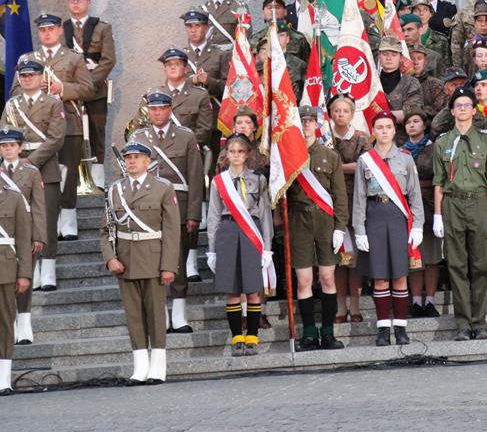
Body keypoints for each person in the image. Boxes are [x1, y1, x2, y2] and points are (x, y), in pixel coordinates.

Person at [100, 141, 180, 384]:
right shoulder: (115, 190)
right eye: (128, 157)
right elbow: (106, 230)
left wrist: (168, 266)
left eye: (136, 157)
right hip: (125, 260)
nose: (131, 161)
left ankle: (158, 367)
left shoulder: (162, 188)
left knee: (155, 315)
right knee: (133, 316)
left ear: (148, 161)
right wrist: (110, 258)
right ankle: (140, 366)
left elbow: (172, 231)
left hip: (153, 259)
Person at [127, 88, 204, 335]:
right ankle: (160, 315)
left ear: (170, 110)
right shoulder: (138, 137)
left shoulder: (185, 136)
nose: (157, 113)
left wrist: (194, 213)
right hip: (147, 210)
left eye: (162, 109)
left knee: (177, 260)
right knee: (153, 262)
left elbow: (195, 176)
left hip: (178, 206)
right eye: (153, 109)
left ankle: (179, 314)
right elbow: (131, 176)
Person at [17, 13, 93, 243]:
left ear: (60, 30)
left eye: (51, 29)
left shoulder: (73, 58)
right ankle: (46, 220)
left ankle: (68, 220)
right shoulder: (28, 59)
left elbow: (88, 89)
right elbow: (14, 92)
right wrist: (32, 87)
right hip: (36, 127)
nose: (47, 33)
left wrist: (62, 88)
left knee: (67, 173)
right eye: (42, 30)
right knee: (43, 177)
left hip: (68, 124)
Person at [432, 87, 487, 341]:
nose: (462, 109)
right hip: (452, 204)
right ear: (452, 111)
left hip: (479, 203)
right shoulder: (443, 143)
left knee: (482, 264)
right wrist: (438, 215)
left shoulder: (485, 141)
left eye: (466, 105)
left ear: (474, 110)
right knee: (457, 265)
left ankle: (479, 322)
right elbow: (439, 182)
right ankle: (463, 323)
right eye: (458, 105)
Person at [352, 111, 425, 346]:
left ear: (394, 130)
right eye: (380, 127)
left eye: (388, 127)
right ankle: (383, 328)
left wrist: (418, 226)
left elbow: (414, 195)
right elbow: (359, 198)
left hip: (397, 217)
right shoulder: (365, 160)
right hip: (374, 216)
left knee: (400, 275)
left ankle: (401, 328)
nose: (384, 131)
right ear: (373, 131)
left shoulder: (405, 158)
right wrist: (359, 230)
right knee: (380, 276)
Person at [206, 134, 274, 356]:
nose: (236, 155)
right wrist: (211, 250)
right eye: (232, 151)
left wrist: (267, 248)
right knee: (233, 291)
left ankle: (252, 337)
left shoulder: (258, 180)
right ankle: (237, 337)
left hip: (251, 233)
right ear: (226, 154)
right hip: (227, 232)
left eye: (240, 151)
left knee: (253, 289)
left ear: (247, 154)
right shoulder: (219, 181)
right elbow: (213, 216)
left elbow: (265, 215)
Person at [1, 60, 65, 292]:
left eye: (32, 75)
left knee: (45, 219)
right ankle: (30, 269)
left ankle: (48, 269)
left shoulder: (53, 103)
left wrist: (32, 161)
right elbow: (3, 135)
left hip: (44, 168)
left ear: (40, 77)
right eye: (24, 76)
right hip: (15, 170)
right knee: (22, 220)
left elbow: (56, 138)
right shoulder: (12, 105)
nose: (27, 79)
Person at [290, 106, 348, 351]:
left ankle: (328, 333)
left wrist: (340, 227)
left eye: (310, 121)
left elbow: (340, 195)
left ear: (317, 124)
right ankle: (309, 334)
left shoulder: (329, 156)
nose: (306, 124)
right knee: (304, 280)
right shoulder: (288, 156)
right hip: (299, 219)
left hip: (325, 220)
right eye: (302, 120)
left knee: (326, 277)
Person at [63, 0, 116, 188]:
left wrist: (89, 84)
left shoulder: (102, 28)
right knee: (71, 132)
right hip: (70, 91)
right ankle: (73, 176)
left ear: (88, 2)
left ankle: (98, 175)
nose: (76, 3)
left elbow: (108, 60)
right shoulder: (62, 29)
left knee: (96, 132)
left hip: (95, 90)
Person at [0, 129, 45, 346]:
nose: (7, 149)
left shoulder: (31, 172)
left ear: (20, 148)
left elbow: (38, 206)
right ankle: (10, 324)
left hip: (26, 232)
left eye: (11, 145)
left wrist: (39, 235)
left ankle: (24, 323)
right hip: (5, 231)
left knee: (24, 276)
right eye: (4, 146)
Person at [329, 95, 369, 323]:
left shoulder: (362, 138)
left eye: (345, 111)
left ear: (352, 114)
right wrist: (347, 167)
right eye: (337, 110)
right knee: (338, 259)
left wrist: (336, 167)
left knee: (355, 260)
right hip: (332, 203)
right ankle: (339, 307)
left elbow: (364, 165)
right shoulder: (325, 139)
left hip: (357, 203)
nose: (340, 114)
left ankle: (355, 305)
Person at [402, 108, 441, 318]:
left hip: (430, 204)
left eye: (416, 121)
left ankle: (430, 300)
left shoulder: (434, 148)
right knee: (414, 257)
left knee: (432, 257)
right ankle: (416, 300)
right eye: (408, 122)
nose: (412, 125)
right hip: (409, 208)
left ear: (424, 125)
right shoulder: (401, 152)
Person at [0, 146, 31, 394]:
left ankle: (3, 378)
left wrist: (24, 273)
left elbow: (23, 239)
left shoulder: (13, 197)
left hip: (5, 267)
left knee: (4, 323)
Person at [181, 8, 230, 111]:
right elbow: (173, 86)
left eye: (197, 25)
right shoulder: (180, 57)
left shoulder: (221, 54)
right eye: (189, 26)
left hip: (214, 112)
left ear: (206, 28)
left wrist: (209, 81)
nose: (193, 30)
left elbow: (230, 88)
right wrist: (193, 80)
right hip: (187, 114)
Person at [378, 35, 423, 131]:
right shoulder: (371, 82)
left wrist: (378, 115)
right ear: (379, 56)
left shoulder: (411, 83)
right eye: (385, 54)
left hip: (401, 136)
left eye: (394, 54)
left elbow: (412, 113)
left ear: (401, 57)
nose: (389, 58)